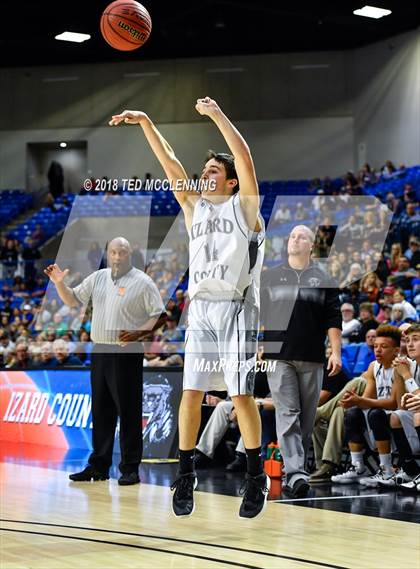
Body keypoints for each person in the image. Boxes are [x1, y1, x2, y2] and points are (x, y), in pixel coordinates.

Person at [109, 97, 268, 518]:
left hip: (236, 307)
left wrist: (216, 114)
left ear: (232, 182)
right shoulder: (195, 208)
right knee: (191, 393)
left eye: (213, 171)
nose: (204, 176)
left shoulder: (245, 207)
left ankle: (256, 476)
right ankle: (185, 474)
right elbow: (171, 162)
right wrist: (145, 120)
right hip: (200, 309)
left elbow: (244, 156)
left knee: (240, 394)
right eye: (205, 171)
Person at [44, 237, 166, 486]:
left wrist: (139, 333)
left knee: (129, 411)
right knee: (101, 410)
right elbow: (72, 300)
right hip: (100, 350)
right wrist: (59, 284)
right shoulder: (98, 277)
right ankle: (99, 466)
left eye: (122, 252)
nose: (117, 257)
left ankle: (130, 468)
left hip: (127, 351)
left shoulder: (143, 282)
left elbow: (161, 315)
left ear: (129, 254)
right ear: (108, 254)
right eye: (113, 252)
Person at [260, 224, 342, 497]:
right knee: (288, 413)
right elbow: (257, 312)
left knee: (306, 418)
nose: (295, 240)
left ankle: (297, 467)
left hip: (312, 356)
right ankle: (295, 473)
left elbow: (333, 317)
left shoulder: (324, 278)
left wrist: (336, 351)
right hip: (278, 357)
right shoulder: (270, 276)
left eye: (301, 237)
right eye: (292, 236)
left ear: (311, 246)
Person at [331, 325, 401, 487]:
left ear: (396, 350)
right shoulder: (373, 367)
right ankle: (359, 467)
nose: (378, 350)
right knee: (353, 413)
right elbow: (367, 399)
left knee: (375, 413)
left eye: (384, 347)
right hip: (380, 415)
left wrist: (360, 401)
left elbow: (393, 403)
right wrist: (354, 401)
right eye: (376, 346)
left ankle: (387, 469)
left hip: (400, 417)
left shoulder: (400, 366)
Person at [390, 323, 420, 492]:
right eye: (407, 340)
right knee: (396, 416)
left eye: (415, 340)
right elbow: (402, 405)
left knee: (418, 415)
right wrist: (399, 374)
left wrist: (406, 375)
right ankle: (410, 470)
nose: (409, 344)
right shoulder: (412, 364)